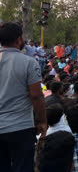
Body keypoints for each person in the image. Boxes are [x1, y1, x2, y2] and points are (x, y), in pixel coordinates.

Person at [0, 22, 47, 172]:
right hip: (21, 128)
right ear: (19, 39)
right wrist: (43, 121)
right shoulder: (29, 62)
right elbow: (36, 96)